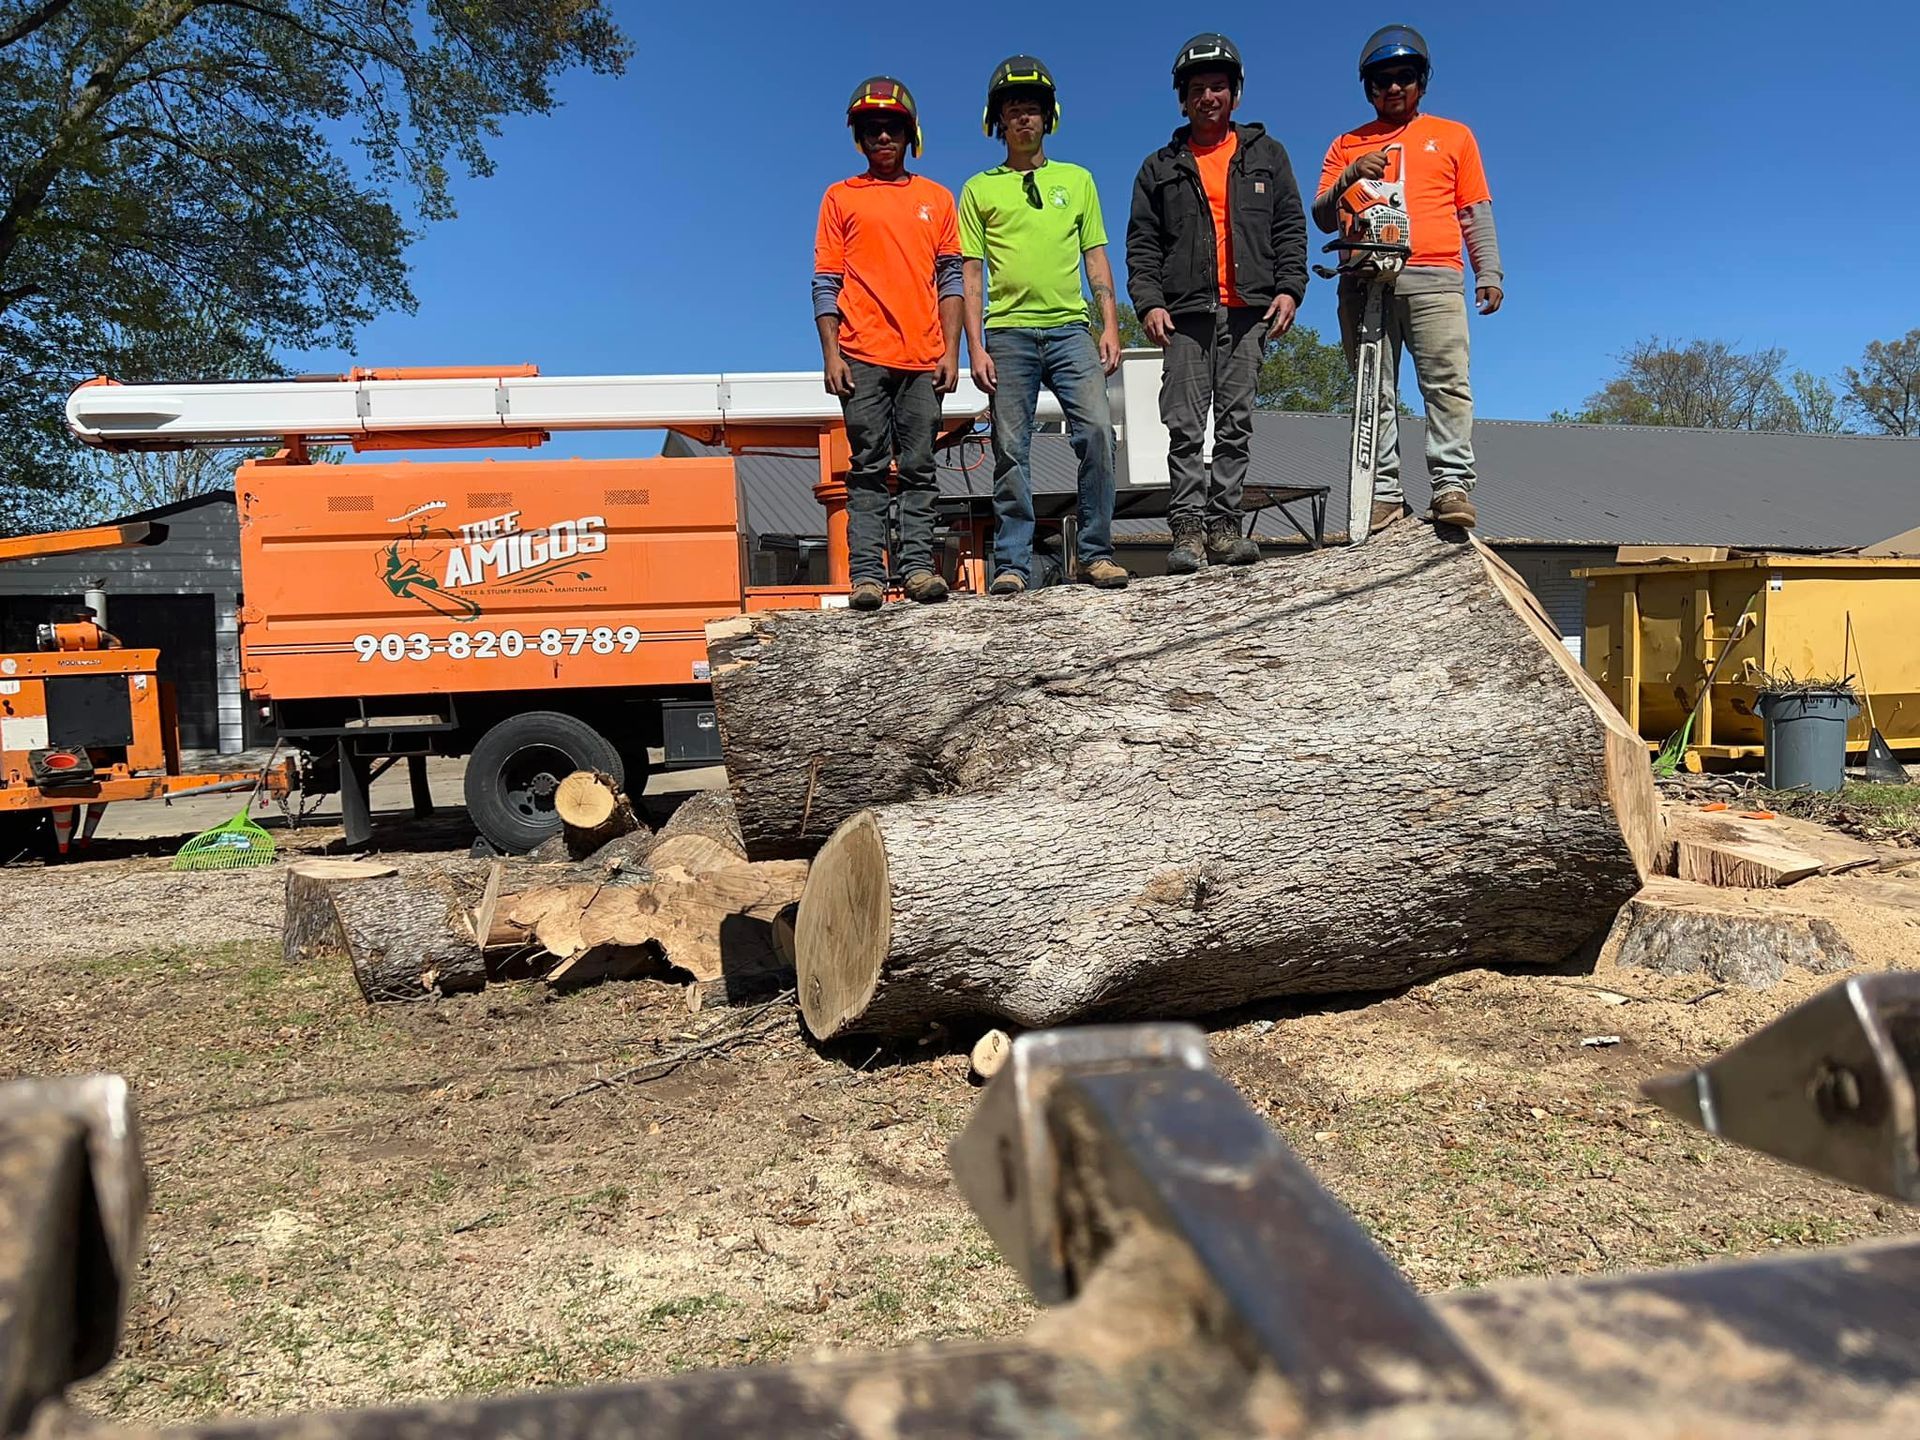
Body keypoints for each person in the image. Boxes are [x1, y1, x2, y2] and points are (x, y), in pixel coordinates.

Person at [1127, 34, 1308, 574]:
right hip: (1184, 316)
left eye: (1219, 87)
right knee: (1184, 426)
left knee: (1235, 423)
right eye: (1198, 89)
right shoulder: (1159, 167)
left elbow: (1290, 227)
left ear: (1235, 95)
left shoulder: (1267, 157)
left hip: (1250, 310)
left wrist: (1289, 288)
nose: (1209, 97)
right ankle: (1186, 531)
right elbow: (1142, 244)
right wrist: (1149, 303)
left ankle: (1226, 528)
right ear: (1183, 99)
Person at [1315, 24, 1503, 533]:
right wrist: (1352, 174)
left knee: (1446, 383)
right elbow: (1323, 216)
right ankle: (1382, 492)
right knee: (1371, 389)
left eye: (1404, 77)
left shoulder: (1453, 136)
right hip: (1363, 279)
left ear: (1421, 81)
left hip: (1434, 274)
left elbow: (1474, 209)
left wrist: (1489, 270)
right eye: (1381, 80)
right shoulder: (1345, 144)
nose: (1393, 88)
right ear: (1367, 87)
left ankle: (1451, 485)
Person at [961, 56, 1127, 593]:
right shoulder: (978, 189)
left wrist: (1109, 325)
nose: (1023, 120)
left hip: (1070, 329)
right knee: (1012, 449)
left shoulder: (1077, 181)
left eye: (1032, 110)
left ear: (1048, 117)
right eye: (1013, 111)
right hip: (1007, 333)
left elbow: (1097, 258)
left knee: (1099, 432)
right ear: (997, 122)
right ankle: (1012, 563)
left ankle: (1097, 552)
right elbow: (970, 275)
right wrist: (974, 348)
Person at [813, 76, 964, 610]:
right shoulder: (840, 197)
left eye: (892, 128)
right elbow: (826, 280)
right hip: (861, 356)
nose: (882, 138)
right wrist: (831, 354)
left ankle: (919, 569)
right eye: (872, 129)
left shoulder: (937, 198)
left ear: (910, 134)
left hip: (923, 358)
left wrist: (952, 351)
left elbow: (950, 279)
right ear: (860, 136)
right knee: (868, 467)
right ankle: (866, 577)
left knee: (921, 468)